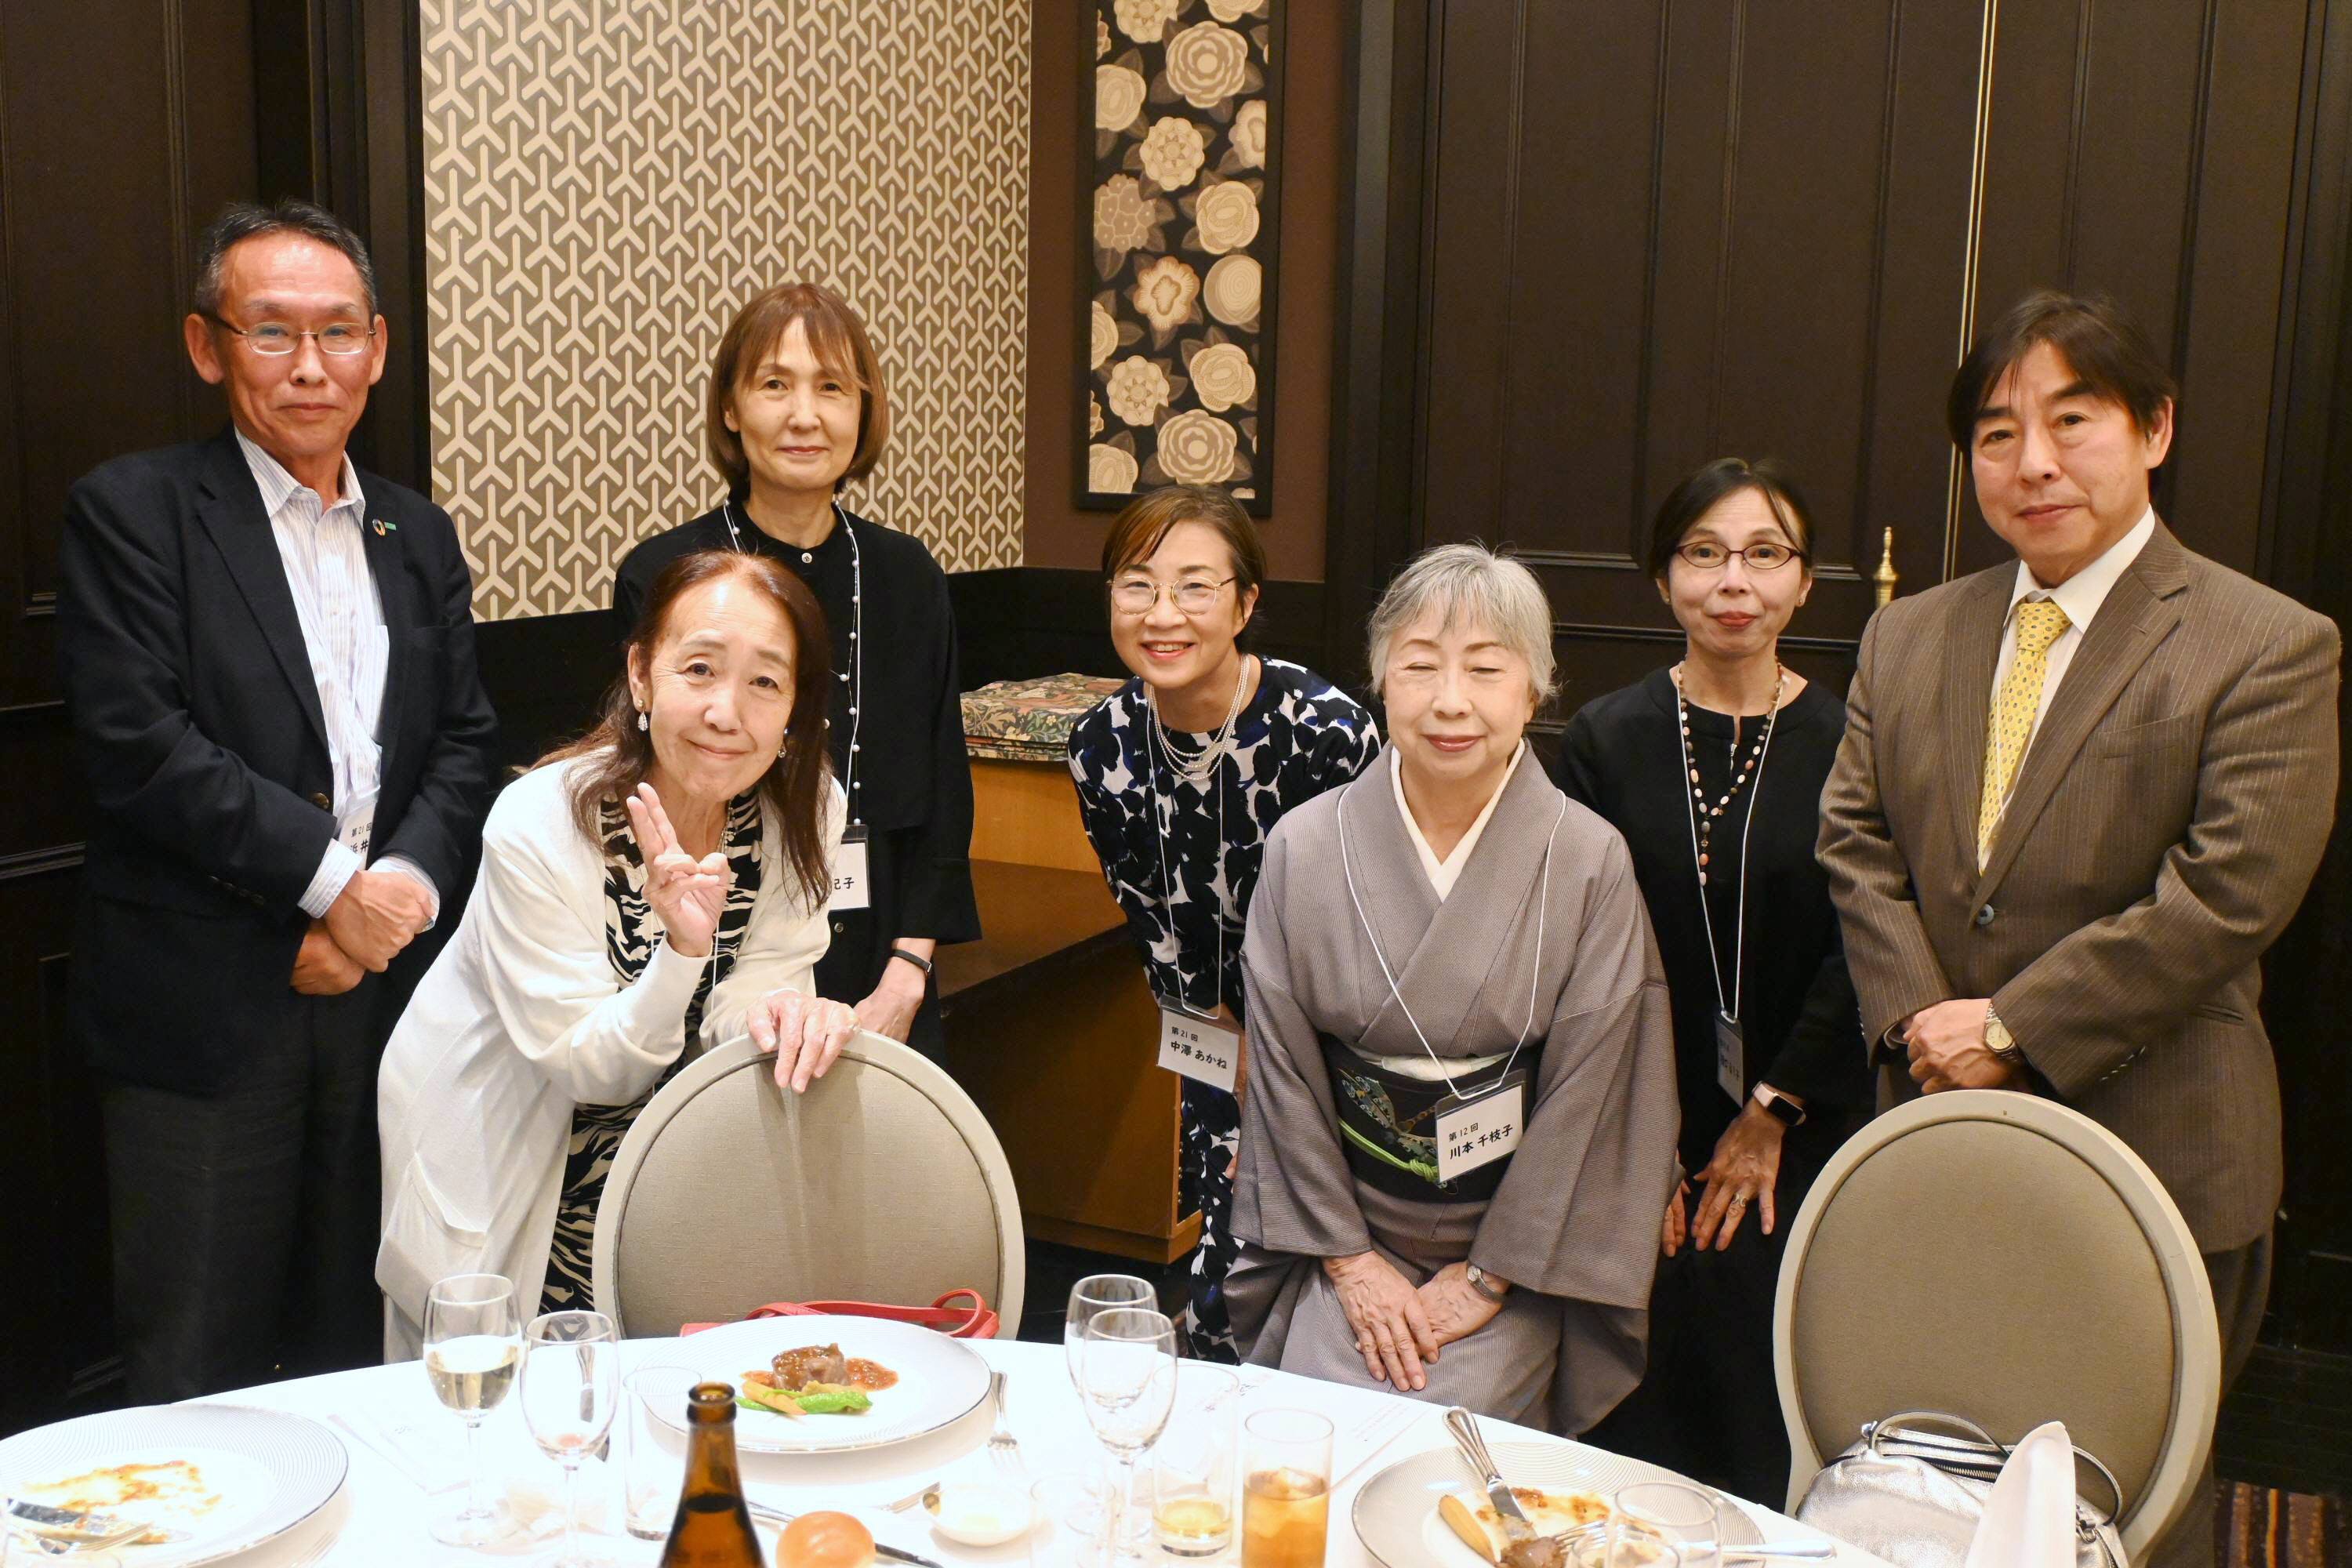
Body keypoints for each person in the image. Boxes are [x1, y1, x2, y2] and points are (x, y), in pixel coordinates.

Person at [1819, 290, 2340, 1568]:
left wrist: (2010, 1028)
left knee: (2125, 1507)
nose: (2033, 463)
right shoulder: (1908, 635)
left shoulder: (2266, 643)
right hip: (1936, 1140)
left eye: (2072, 421)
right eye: (1997, 434)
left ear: (2155, 429)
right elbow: (1854, 840)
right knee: (1924, 1486)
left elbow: (2229, 891)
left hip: (2157, 1145)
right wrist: (1927, 1030)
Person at [54, 200, 498, 1399]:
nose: (311, 365)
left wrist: (391, 898)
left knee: (365, 1347)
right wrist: (332, 888)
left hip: (386, 1002)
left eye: (338, 331)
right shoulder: (132, 513)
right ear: (208, 347)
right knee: (195, 1362)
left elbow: (464, 740)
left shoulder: (418, 532)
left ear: (378, 348)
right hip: (206, 1013)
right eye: (272, 332)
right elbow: (141, 748)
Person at [1226, 543, 1679, 1432]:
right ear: (1380, 681)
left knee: (1453, 1449)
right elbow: (1282, 1068)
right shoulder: (1305, 846)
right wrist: (1351, 1263)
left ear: (1534, 691)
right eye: (1420, 666)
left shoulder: (1587, 858)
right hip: (1343, 1233)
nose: (1450, 700)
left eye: (1485, 669)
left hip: (1517, 1249)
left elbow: (1597, 1085)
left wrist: (1487, 1278)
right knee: (1306, 1436)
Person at [376, 550, 860, 1352]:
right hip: (514, 1147)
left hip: (670, 1163)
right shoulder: (540, 822)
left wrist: (783, 1014)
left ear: (796, 707)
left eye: (765, 682)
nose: (726, 711)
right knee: (515, 1396)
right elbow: (591, 1068)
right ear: (641, 676)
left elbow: (754, 986)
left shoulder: (806, 806)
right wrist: (681, 952)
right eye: (699, 669)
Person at [1554, 459, 1868, 1501]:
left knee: (1755, 1353)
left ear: (1805, 583)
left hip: (1803, 1108)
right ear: (1664, 578)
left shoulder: (1853, 742)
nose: (1735, 581)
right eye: (1705, 553)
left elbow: (1866, 938)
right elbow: (1579, 947)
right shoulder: (1605, 738)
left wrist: (1772, 1110)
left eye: (1764, 554)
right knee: (1632, 1372)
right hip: (1630, 1102)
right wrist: (1644, 1139)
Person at [615, 283, 977, 1060]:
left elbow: (944, 784)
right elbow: (638, 781)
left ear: (863, 411)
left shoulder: (908, 575)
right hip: (723, 945)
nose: (805, 415)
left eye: (832, 388)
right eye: (775, 384)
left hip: (886, 949)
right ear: (731, 407)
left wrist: (909, 970)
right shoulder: (667, 574)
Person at [1067, 485, 1381, 1361]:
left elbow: (1368, 943)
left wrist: (1284, 1098)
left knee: (1329, 1302)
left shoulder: (1327, 734)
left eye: (1195, 587)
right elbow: (1153, 930)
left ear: (1244, 604)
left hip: (1341, 1055)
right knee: (1225, 1291)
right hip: (1213, 1039)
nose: (1162, 614)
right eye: (1137, 586)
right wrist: (1236, 1075)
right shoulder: (1101, 745)